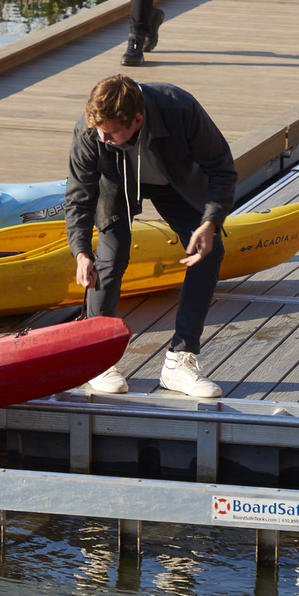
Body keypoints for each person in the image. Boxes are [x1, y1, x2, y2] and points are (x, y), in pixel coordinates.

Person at [67, 74, 237, 399]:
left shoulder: (180, 108)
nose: (102, 138)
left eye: (110, 132)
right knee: (111, 254)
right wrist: (80, 251)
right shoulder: (92, 130)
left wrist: (211, 221)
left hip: (172, 181)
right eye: (99, 132)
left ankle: (180, 361)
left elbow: (222, 167)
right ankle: (98, 359)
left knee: (210, 252)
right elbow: (78, 194)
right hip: (115, 181)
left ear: (138, 119)